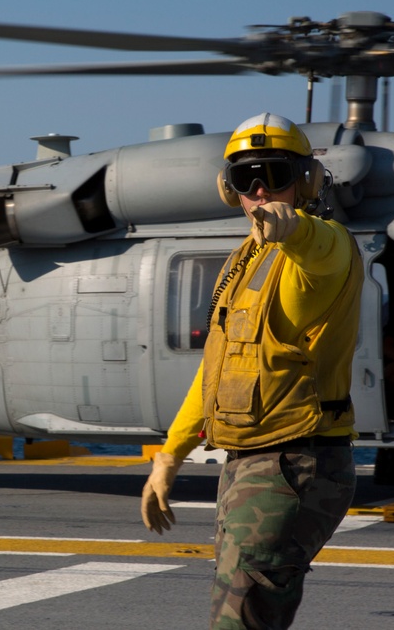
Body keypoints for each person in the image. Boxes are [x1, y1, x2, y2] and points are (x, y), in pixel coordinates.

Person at [140, 112, 363, 629]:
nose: (261, 191)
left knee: (239, 621)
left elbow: (321, 247)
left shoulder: (322, 248)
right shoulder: (246, 259)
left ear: (306, 182)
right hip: (251, 463)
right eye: (247, 179)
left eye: (276, 176)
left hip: (292, 462)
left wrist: (296, 227)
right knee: (239, 613)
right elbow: (219, 370)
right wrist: (170, 455)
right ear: (229, 189)